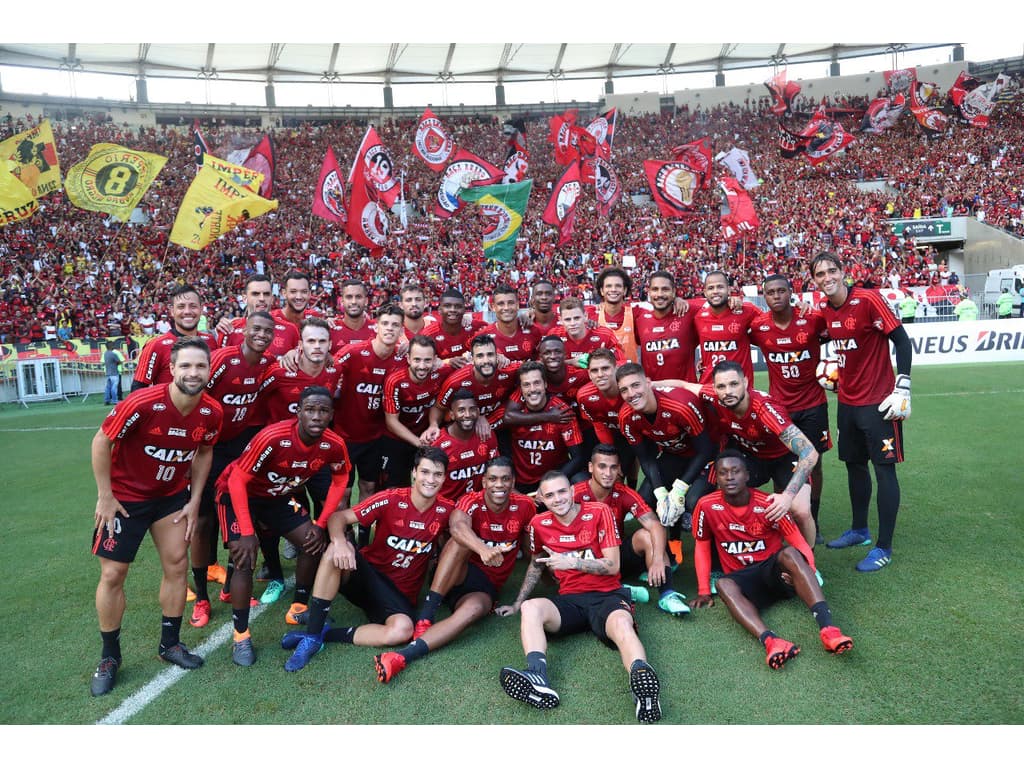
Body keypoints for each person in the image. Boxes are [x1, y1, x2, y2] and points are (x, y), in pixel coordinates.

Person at [89, 337, 223, 696]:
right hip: (125, 499)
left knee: (177, 566)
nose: (193, 372)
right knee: (114, 573)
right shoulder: (142, 403)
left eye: (200, 366)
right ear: (172, 369)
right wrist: (105, 496)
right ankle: (110, 656)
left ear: (209, 370)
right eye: (185, 366)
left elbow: (204, 452)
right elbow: (102, 441)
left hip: (169, 500)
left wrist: (195, 500)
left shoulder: (212, 411)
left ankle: (170, 644)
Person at [496, 471, 662, 723]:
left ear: (573, 491)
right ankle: (538, 677)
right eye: (550, 495)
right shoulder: (539, 524)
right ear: (541, 498)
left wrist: (570, 561)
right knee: (531, 608)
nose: (558, 498)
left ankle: (643, 689)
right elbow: (536, 563)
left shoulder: (598, 512)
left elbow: (613, 565)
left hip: (607, 595)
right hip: (570, 600)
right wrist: (517, 602)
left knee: (621, 625)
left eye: (562, 491)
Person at [280, 446, 454, 672]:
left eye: (437, 474)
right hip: (367, 575)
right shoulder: (390, 499)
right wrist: (340, 542)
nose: (430, 480)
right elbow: (339, 517)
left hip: (398, 596)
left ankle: (324, 634)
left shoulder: (447, 511)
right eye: (425, 472)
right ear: (414, 472)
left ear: (444, 478)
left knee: (402, 631)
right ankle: (312, 636)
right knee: (335, 550)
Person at [216, 386, 350, 665]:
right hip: (236, 495)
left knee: (314, 541)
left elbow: (340, 480)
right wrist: (248, 531)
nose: (316, 416)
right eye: (310, 409)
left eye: (323, 411)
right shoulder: (273, 437)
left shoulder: (333, 444)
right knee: (244, 558)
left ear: (331, 415)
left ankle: (299, 607)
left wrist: (321, 522)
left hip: (276, 497)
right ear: (298, 412)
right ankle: (241, 636)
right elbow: (237, 480)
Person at [373, 457, 536, 683]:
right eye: (493, 479)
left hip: (484, 587)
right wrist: (483, 549)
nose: (499, 485)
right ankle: (426, 617)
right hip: (456, 571)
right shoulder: (471, 500)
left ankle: (401, 657)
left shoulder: (525, 507)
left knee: (472, 612)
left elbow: (533, 554)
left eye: (505, 479)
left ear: (513, 481)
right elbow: (458, 526)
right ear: (484, 482)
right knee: (460, 539)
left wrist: (520, 600)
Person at [689, 450, 853, 669]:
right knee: (722, 584)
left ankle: (829, 630)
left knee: (791, 553)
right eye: (723, 473)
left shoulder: (768, 503)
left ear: (747, 475)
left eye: (735, 471)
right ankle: (771, 641)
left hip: (775, 572)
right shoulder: (706, 506)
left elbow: (797, 539)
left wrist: (809, 568)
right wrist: (703, 591)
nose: (729, 477)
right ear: (716, 478)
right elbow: (701, 545)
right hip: (743, 580)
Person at [812, 252, 912, 572]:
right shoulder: (825, 311)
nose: (826, 277)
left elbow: (902, 340)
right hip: (848, 404)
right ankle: (859, 530)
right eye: (819, 274)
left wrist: (903, 386)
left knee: (884, 470)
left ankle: (883, 546)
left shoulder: (868, 299)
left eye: (831, 271)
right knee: (854, 466)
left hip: (879, 403)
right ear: (814, 281)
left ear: (842, 273)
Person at [190, 311, 276, 626]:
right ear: (244, 330)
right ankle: (201, 597)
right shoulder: (223, 359)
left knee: (238, 514)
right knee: (202, 521)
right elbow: (196, 396)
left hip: (238, 448)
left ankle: (229, 588)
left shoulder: (269, 364)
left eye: (268, 332)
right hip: (207, 449)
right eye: (257, 329)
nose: (262, 336)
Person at [749, 275, 831, 542]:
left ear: (791, 292)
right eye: (770, 292)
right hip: (780, 409)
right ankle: (781, 517)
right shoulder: (759, 326)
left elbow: (836, 331)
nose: (776, 296)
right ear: (765, 296)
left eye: (781, 291)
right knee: (780, 464)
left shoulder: (813, 319)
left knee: (814, 463)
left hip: (813, 405)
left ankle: (814, 517)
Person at [573, 444, 689, 615]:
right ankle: (621, 589)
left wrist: (657, 558)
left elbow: (655, 525)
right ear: (591, 467)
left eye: (613, 467)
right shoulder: (574, 494)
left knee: (647, 535)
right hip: (588, 558)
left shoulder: (624, 492)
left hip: (617, 556)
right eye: (602, 466)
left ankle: (667, 595)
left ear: (619, 469)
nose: (608, 473)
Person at [503, 361, 586, 493]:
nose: (532, 389)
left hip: (552, 483)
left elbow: (578, 457)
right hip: (520, 482)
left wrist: (550, 483)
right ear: (521, 389)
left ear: (545, 384)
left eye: (537, 383)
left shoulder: (562, 412)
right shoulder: (513, 411)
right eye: (526, 385)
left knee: (581, 479)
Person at [381, 335, 449, 488]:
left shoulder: (441, 373)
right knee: (394, 489)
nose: (422, 366)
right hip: (396, 439)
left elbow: (467, 364)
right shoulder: (395, 381)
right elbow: (391, 422)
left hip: (426, 436)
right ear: (408, 359)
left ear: (435, 359)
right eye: (417, 360)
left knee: (431, 485)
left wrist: (433, 425)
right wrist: (419, 443)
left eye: (427, 360)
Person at [132, 284, 219, 390]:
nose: (187, 311)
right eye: (181, 307)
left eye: (193, 306)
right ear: (172, 311)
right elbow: (138, 389)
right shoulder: (156, 345)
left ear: (201, 309)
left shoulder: (211, 341)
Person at [432, 389, 500, 501]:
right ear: (452, 415)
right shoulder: (438, 444)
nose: (467, 415)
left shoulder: (487, 434)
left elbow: (497, 472)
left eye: (472, 409)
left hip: (480, 504)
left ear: (478, 412)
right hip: (447, 506)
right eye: (461, 410)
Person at [216, 273, 300, 359]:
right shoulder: (229, 329)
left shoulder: (290, 330)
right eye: (255, 294)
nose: (262, 298)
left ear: (272, 298)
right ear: (244, 298)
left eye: (266, 294)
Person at [481, 283, 542, 362]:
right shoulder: (483, 337)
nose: (506, 308)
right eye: (501, 304)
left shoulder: (533, 331)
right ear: (493, 307)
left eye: (511, 303)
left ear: (517, 305)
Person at [102, 341, 124, 405]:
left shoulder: (105, 353)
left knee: (108, 388)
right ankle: (114, 400)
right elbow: (119, 362)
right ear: (111, 346)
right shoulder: (113, 354)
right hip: (114, 373)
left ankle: (107, 400)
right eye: (113, 345)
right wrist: (118, 363)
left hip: (108, 372)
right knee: (114, 388)